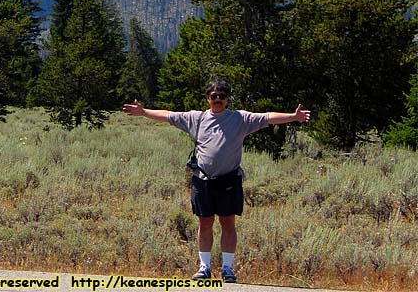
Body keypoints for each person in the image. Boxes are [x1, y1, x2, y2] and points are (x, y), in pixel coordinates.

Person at [123, 79, 311, 284]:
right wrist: (143, 112)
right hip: (202, 180)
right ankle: (204, 267)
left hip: (229, 180)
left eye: (222, 96)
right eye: (214, 96)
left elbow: (267, 117)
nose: (218, 99)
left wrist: (293, 117)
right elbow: (167, 115)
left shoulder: (240, 119)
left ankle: (227, 268)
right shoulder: (196, 118)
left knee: (228, 223)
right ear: (207, 99)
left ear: (227, 99)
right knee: (204, 223)